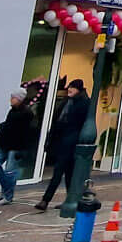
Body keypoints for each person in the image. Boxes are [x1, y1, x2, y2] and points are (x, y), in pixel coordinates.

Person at [34, 80, 88, 212]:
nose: (70, 89)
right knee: (67, 172)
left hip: (71, 143)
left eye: (73, 88)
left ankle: (46, 200)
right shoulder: (66, 102)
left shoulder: (83, 103)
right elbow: (57, 121)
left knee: (60, 172)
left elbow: (80, 122)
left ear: (78, 90)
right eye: (69, 87)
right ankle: (70, 200)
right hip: (62, 142)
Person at [0, 90, 35, 205]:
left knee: (10, 171)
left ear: (19, 99)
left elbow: (26, 133)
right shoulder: (12, 111)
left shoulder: (27, 113)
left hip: (16, 146)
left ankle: (7, 196)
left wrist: (23, 149)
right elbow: (6, 127)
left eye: (13, 97)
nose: (11, 99)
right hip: (4, 143)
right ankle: (6, 189)